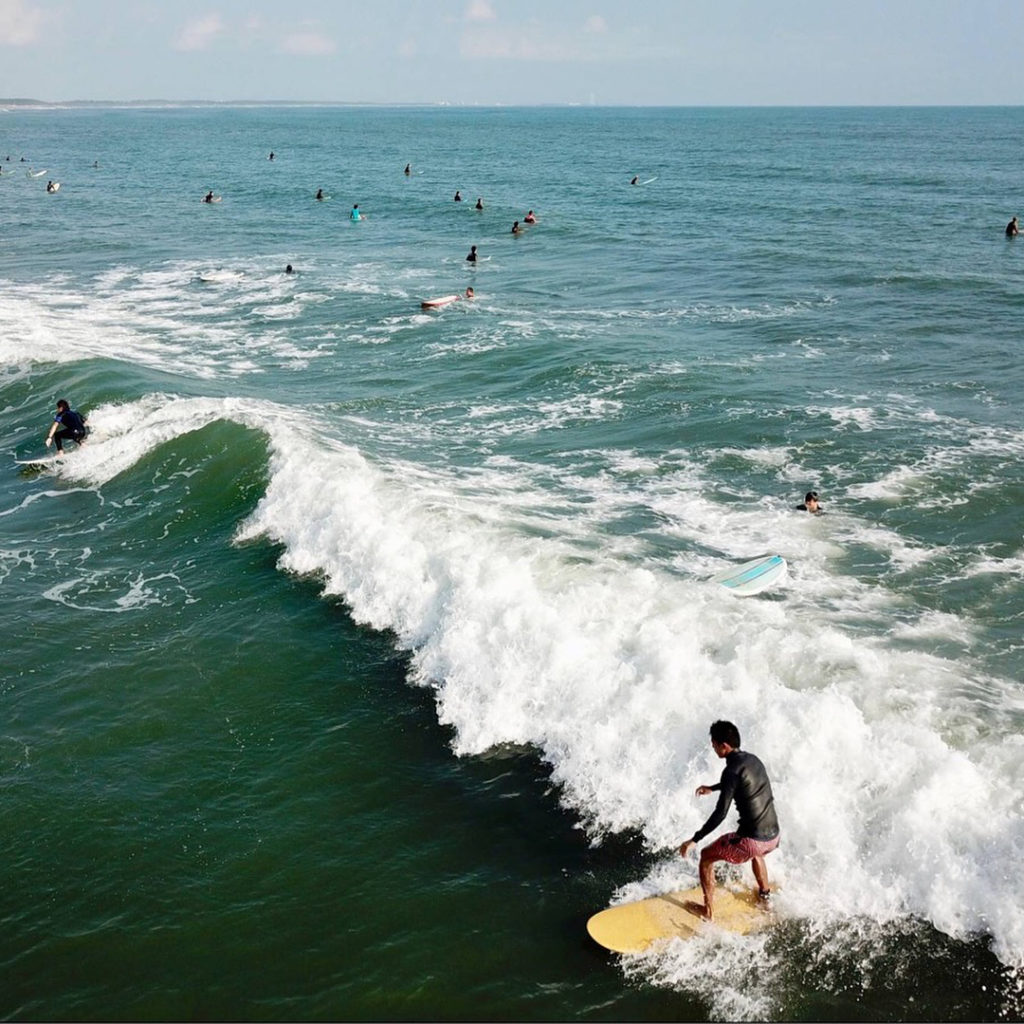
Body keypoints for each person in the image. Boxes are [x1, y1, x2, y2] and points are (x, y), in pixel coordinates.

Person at [678, 721, 780, 921]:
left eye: (714, 744)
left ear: (724, 746)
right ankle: (765, 896)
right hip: (773, 837)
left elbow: (720, 813)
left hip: (752, 842)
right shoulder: (753, 760)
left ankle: (707, 912)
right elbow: (742, 782)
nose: (713, 748)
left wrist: (694, 839)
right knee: (757, 853)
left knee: (707, 856)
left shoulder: (731, 770)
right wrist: (714, 788)